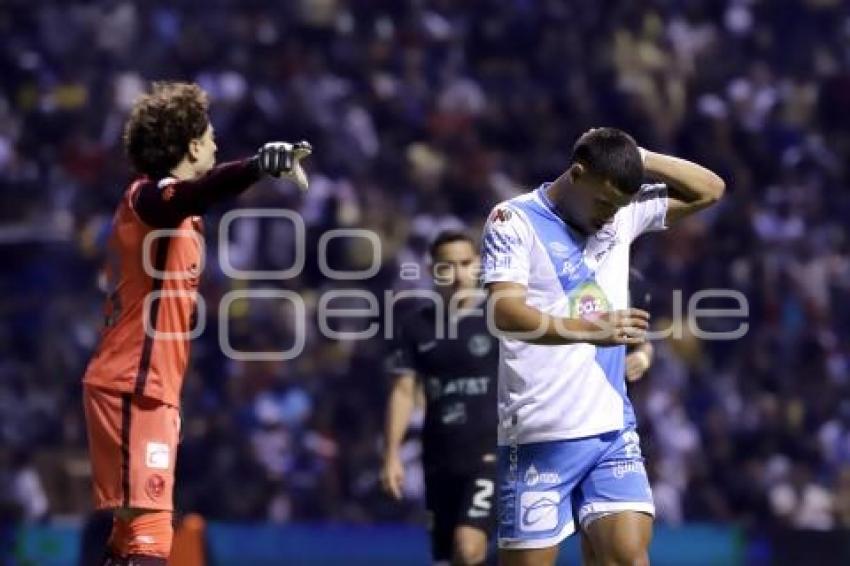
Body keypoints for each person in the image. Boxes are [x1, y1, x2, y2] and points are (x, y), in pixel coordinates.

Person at [81, 81, 312, 565]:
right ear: (189, 146)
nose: (215, 145)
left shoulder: (178, 218)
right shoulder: (148, 199)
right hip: (133, 386)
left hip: (148, 390)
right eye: (209, 137)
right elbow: (194, 193)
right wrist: (254, 167)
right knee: (150, 534)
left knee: (129, 540)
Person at [481, 127, 724, 565]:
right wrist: (589, 329)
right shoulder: (513, 220)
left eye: (619, 207)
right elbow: (504, 312)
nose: (611, 216)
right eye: (604, 202)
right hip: (539, 435)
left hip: (610, 432)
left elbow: (710, 189)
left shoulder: (621, 214)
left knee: (629, 557)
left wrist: (639, 155)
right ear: (577, 174)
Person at [382, 231, 499, 565]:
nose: (459, 274)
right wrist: (391, 454)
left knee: (468, 546)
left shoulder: (501, 318)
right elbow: (403, 390)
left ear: (479, 266)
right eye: (448, 267)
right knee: (448, 558)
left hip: (491, 455)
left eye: (466, 264)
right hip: (439, 458)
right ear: (433, 271)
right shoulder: (415, 325)